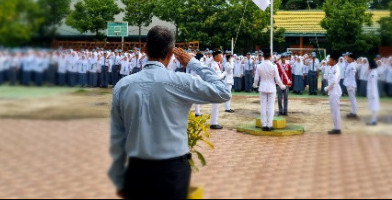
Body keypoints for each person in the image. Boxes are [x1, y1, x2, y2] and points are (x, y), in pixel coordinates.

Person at [108, 26, 231, 200]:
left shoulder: (123, 85)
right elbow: (223, 92)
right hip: (171, 169)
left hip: (137, 168)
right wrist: (193, 63)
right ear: (172, 53)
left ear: (145, 49)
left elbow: (117, 134)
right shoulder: (181, 82)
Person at [253, 48, 286, 131]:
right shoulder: (273, 65)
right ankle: (269, 125)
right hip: (271, 87)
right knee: (271, 107)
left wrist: (255, 85)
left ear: (263, 56)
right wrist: (282, 86)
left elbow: (256, 78)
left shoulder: (259, 65)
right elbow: (277, 79)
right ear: (270, 56)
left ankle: (264, 125)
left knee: (263, 106)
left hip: (262, 87)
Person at [324, 53, 342, 134]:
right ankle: (336, 127)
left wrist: (327, 88)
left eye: (330, 59)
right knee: (333, 110)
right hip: (332, 91)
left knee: (335, 110)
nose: (328, 61)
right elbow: (327, 77)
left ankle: (337, 128)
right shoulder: (332, 67)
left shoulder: (336, 68)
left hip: (334, 91)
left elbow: (334, 82)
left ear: (334, 60)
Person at [209, 50, 226, 129]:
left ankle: (214, 122)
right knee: (216, 105)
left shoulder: (216, 64)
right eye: (220, 55)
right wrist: (225, 72)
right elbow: (218, 77)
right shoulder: (214, 65)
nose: (221, 57)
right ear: (215, 56)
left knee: (216, 105)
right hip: (215, 86)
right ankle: (214, 123)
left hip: (215, 85)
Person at [344, 52, 359, 119]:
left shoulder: (352, 65)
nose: (347, 58)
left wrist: (350, 85)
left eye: (348, 57)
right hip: (349, 84)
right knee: (352, 99)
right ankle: (353, 112)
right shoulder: (350, 64)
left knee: (353, 99)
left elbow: (352, 76)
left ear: (351, 58)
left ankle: (354, 113)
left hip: (351, 84)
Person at [366, 61, 379, 126]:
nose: (368, 66)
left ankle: (373, 121)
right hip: (371, 91)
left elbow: (373, 84)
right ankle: (373, 120)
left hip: (372, 92)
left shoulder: (373, 73)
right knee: (372, 106)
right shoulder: (372, 72)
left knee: (373, 106)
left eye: (369, 65)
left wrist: (373, 94)